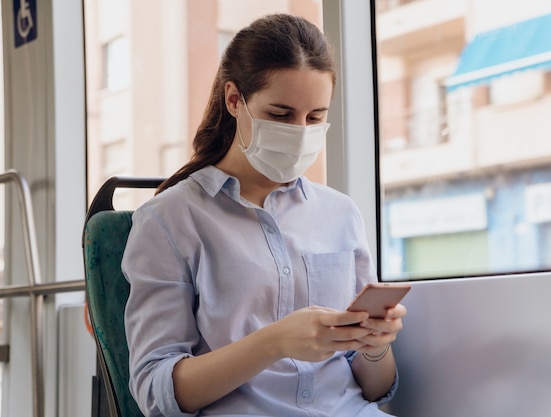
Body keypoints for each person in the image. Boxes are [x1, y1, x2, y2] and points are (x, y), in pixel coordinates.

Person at [122, 13, 407, 417]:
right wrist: (275, 343)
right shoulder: (169, 219)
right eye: (280, 114)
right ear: (234, 99)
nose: (300, 132)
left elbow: (377, 390)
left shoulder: (340, 213)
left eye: (315, 117)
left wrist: (376, 347)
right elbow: (156, 393)